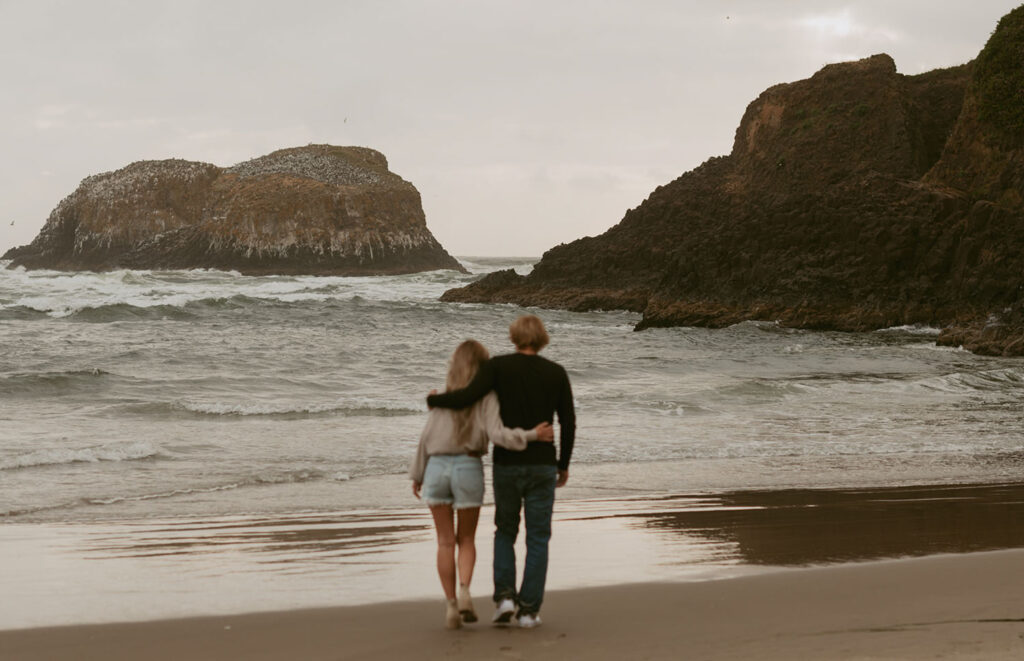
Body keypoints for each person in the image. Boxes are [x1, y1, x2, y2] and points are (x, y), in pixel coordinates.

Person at [427, 315, 575, 629]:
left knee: (505, 531)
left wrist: (434, 399)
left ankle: (505, 598)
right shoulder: (556, 373)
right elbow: (568, 422)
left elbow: (467, 396)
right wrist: (563, 465)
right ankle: (529, 611)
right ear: (542, 338)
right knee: (538, 537)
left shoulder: (497, 367)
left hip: (507, 465)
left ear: (514, 337)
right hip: (542, 465)